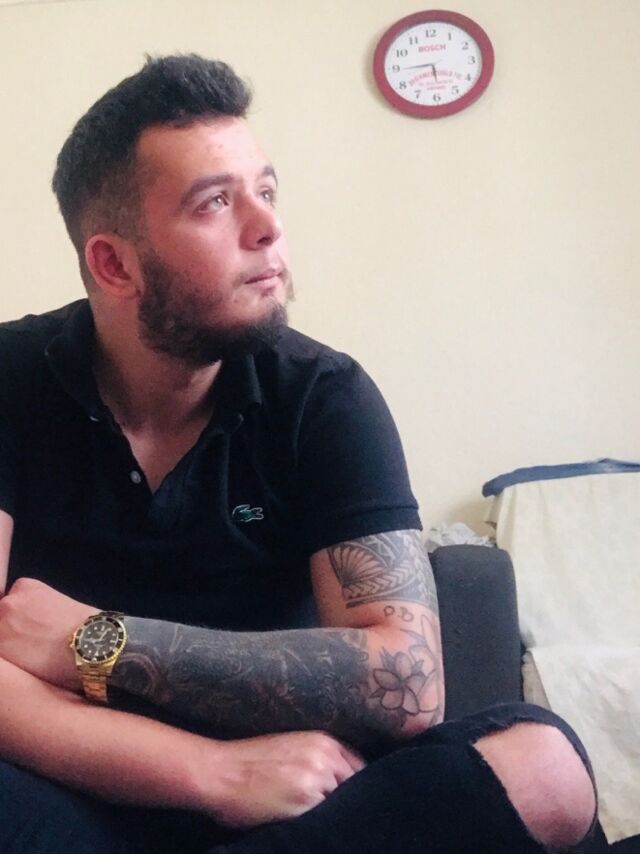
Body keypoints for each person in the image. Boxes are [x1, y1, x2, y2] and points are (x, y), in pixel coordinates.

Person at [0, 54, 598, 853]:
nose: (268, 227)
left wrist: (92, 640)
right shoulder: (11, 377)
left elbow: (407, 681)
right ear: (114, 263)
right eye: (215, 202)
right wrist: (208, 772)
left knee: (544, 769)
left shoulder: (325, 395)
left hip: (300, 799)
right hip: (66, 781)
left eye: (267, 191)